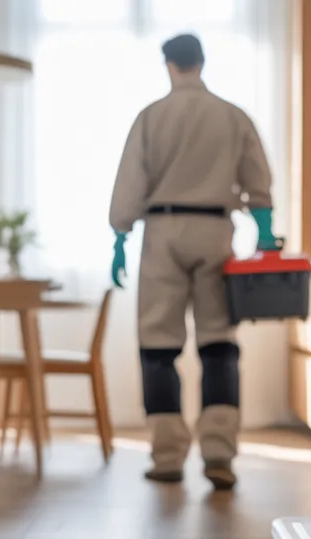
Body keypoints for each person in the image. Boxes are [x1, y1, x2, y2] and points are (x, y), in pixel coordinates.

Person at [108, 33, 277, 491]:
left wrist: (120, 236)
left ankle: (166, 455)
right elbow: (258, 180)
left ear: (169, 64)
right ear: (202, 62)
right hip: (215, 230)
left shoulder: (150, 117)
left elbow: (129, 185)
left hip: (162, 233)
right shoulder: (232, 115)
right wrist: (264, 230)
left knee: (158, 345)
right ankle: (219, 454)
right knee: (219, 343)